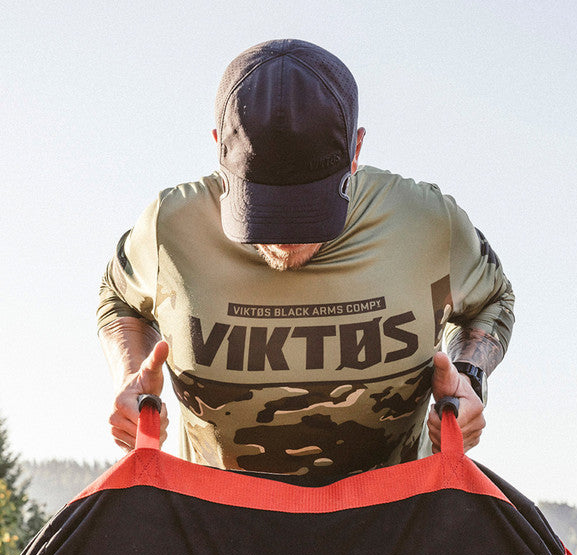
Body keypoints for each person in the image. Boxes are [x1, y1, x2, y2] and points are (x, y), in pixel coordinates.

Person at [97, 39, 514, 485]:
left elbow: (493, 300)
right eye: (261, 206)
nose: (285, 238)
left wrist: (469, 377)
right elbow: (119, 298)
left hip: (394, 515)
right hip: (215, 517)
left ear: (356, 150)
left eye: (309, 206)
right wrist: (129, 375)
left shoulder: (427, 223)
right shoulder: (171, 227)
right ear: (219, 148)